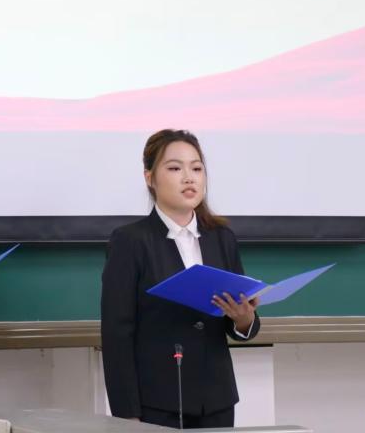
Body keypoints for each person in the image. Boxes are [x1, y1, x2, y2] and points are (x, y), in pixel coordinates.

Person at [101, 129, 260, 428]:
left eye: (196, 169)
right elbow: (116, 334)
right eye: (175, 168)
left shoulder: (222, 238)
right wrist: (127, 414)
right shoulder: (130, 241)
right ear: (149, 178)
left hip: (216, 400)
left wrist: (244, 320)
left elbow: (238, 324)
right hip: (156, 404)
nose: (189, 178)